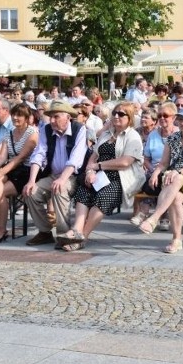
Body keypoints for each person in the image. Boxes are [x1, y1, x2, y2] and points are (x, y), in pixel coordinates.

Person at [56, 101, 145, 251]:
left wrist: (97, 167)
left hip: (122, 177)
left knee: (103, 197)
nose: (116, 116)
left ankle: (83, 236)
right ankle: (76, 229)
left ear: (129, 118)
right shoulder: (106, 134)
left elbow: (125, 162)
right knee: (84, 189)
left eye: (121, 114)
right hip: (101, 174)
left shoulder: (133, 136)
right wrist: (90, 172)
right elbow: (94, 156)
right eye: (114, 113)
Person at [138, 106, 183, 253]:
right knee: (176, 197)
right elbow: (163, 163)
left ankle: (154, 217)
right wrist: (155, 173)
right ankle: (176, 240)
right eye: (180, 119)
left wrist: (177, 171)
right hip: (176, 178)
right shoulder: (172, 139)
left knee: (176, 178)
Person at [23, 101, 89, 246]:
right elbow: (38, 155)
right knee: (30, 192)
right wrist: (31, 181)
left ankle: (63, 234)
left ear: (68, 117)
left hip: (74, 176)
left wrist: (62, 179)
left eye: (56, 117)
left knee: (59, 189)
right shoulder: (46, 130)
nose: (51, 120)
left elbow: (75, 159)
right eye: (50, 117)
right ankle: (45, 232)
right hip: (53, 175)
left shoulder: (80, 130)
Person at [0, 103, 39, 243]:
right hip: (12, 169)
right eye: (14, 114)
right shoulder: (9, 133)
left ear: (27, 118)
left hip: (26, 171)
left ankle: (0, 227)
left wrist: (1, 171)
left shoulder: (32, 134)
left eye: (19, 115)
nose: (15, 117)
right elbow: (2, 156)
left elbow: (20, 158)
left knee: (1, 191)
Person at [132, 102, 178, 228]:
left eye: (166, 115)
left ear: (174, 117)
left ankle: (146, 212)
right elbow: (146, 158)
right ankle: (162, 216)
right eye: (160, 116)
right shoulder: (153, 135)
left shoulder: (179, 134)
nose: (162, 118)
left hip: (173, 171)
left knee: (163, 179)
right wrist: (153, 169)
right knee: (148, 179)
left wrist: (162, 169)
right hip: (154, 170)